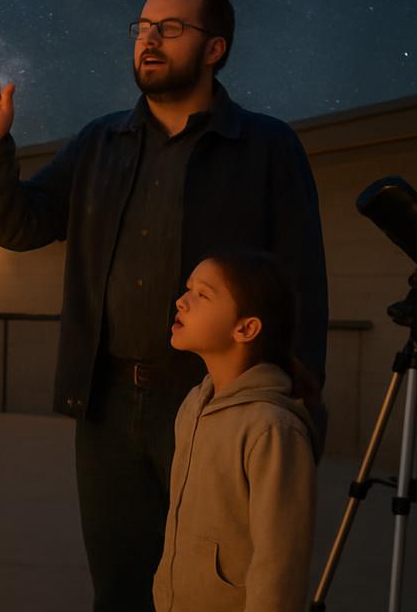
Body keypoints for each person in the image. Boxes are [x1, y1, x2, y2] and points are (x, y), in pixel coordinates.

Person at [0, 0, 327, 611]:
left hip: (214, 401)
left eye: (171, 29)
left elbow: (301, 283)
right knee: (121, 590)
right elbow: (17, 224)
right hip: (109, 403)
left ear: (215, 48)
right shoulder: (100, 142)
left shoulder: (266, 146)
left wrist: (300, 400)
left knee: (213, 584)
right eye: (143, 28)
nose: (149, 40)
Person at [154, 250, 318, 612]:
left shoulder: (272, 429)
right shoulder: (195, 404)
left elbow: (280, 566)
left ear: (245, 328)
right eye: (188, 289)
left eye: (203, 294)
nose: (182, 301)